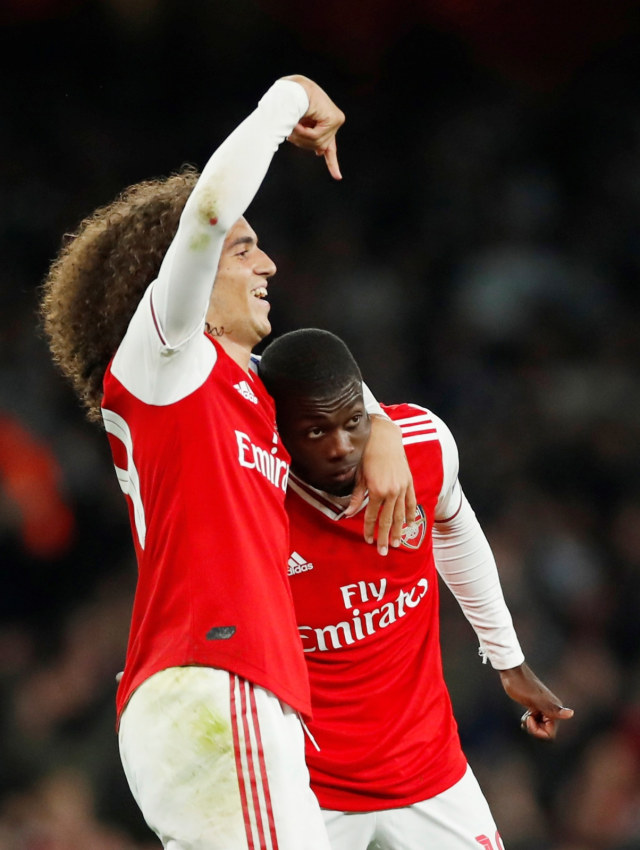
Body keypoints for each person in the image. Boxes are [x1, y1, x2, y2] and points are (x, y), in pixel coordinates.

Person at [40, 77, 414, 850]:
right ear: (185, 280)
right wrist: (288, 98)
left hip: (225, 697)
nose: (268, 263)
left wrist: (380, 428)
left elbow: (341, 406)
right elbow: (207, 212)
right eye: (245, 249)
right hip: (218, 678)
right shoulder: (166, 359)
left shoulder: (241, 399)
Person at [259, 328, 575, 850]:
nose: (341, 447)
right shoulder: (253, 494)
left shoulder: (424, 444)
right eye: (315, 433)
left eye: (353, 424)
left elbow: (457, 530)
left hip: (431, 773)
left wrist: (509, 661)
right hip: (309, 790)